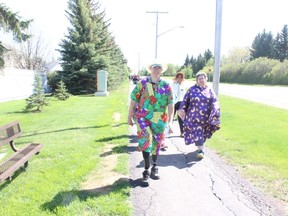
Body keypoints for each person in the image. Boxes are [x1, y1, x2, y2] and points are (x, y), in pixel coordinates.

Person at [127, 61, 174, 186]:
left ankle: (154, 167)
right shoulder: (143, 83)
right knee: (146, 139)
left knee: (157, 143)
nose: (156, 70)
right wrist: (129, 117)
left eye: (159, 68)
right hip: (143, 116)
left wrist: (171, 121)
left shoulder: (166, 85)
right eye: (154, 68)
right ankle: (146, 170)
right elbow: (133, 100)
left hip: (159, 118)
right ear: (150, 70)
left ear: (161, 71)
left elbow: (170, 104)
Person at [178, 71, 220, 159]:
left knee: (203, 134)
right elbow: (185, 100)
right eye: (199, 78)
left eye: (202, 78)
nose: (201, 80)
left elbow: (215, 101)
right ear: (196, 80)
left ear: (206, 79)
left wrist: (215, 109)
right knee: (198, 132)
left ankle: (200, 145)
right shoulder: (191, 90)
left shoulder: (210, 90)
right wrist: (182, 109)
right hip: (194, 117)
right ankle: (200, 150)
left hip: (206, 117)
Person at [171, 71, 186, 137]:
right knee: (171, 117)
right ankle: (168, 131)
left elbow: (184, 95)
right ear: (176, 78)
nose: (179, 78)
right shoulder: (173, 84)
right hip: (174, 102)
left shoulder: (183, 85)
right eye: (178, 77)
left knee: (180, 118)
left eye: (181, 77)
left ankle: (182, 132)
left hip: (181, 103)